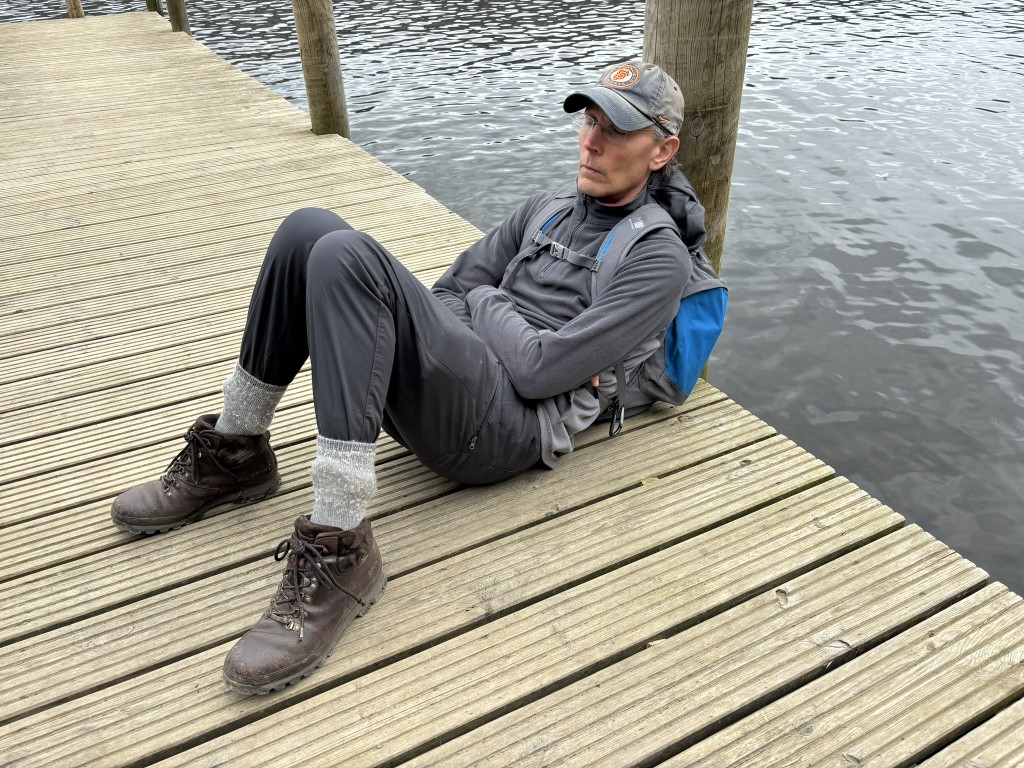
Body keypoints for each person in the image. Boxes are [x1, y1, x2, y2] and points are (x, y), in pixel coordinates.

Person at [111, 61, 709, 695]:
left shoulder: (657, 258)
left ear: (661, 151)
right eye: (589, 122)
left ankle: (340, 542)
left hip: (509, 432)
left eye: (615, 131)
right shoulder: (547, 210)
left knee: (349, 256)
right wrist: (497, 321)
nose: (591, 143)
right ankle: (237, 450)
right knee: (307, 229)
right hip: (467, 385)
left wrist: (488, 302)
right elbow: (450, 291)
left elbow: (538, 372)